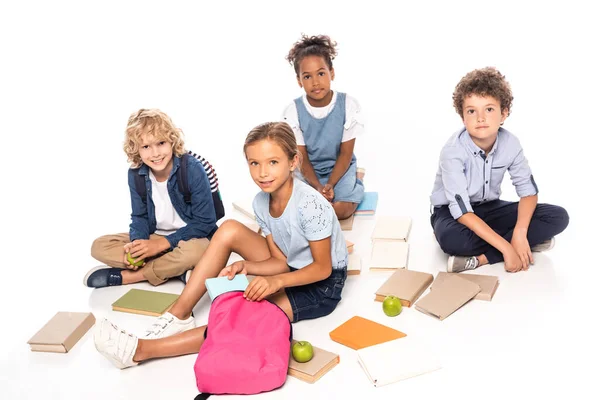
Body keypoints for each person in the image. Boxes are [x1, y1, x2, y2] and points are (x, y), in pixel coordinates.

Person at [94, 121, 348, 369]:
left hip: (323, 285)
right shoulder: (261, 202)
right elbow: (280, 261)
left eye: (273, 162)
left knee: (239, 315)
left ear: (293, 162)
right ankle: (178, 314)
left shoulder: (310, 205)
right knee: (229, 229)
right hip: (292, 265)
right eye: (254, 163)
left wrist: (276, 282)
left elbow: (322, 269)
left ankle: (141, 351)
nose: (262, 172)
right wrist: (244, 266)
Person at [430, 67, 569, 273]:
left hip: (489, 208)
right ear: (462, 118)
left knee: (558, 216)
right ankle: (518, 244)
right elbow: (462, 212)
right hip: (453, 213)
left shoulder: (510, 144)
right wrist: (506, 247)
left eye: (489, 109)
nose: (480, 118)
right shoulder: (452, 152)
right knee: (452, 240)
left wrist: (521, 232)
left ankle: (485, 258)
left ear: (503, 113)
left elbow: (528, 193)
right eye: (471, 111)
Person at [84, 109, 217, 288]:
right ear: (136, 149)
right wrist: (137, 245)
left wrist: (163, 244)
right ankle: (175, 270)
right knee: (99, 246)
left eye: (160, 143)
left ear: (172, 140)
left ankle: (134, 276)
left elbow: (205, 223)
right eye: (146, 147)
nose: (155, 153)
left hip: (191, 238)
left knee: (195, 253)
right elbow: (140, 216)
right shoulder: (136, 174)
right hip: (156, 236)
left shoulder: (192, 168)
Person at [282, 34, 365, 219]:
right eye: (307, 76)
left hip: (340, 168)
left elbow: (345, 153)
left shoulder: (348, 105)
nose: (315, 82)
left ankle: (357, 181)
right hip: (308, 170)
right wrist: (318, 187)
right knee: (301, 211)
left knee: (341, 211)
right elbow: (301, 156)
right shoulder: (293, 111)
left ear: (331, 73)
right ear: (299, 81)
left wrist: (331, 184)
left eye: (321, 73)